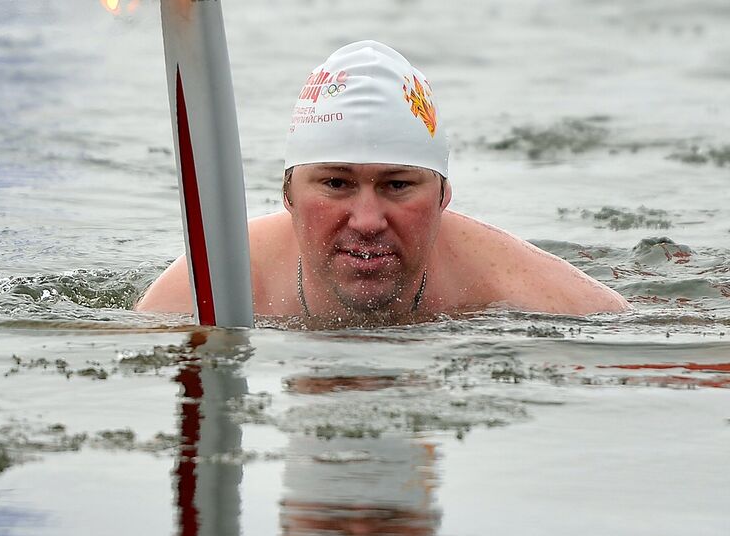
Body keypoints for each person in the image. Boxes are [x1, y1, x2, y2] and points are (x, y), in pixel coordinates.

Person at [136, 40, 630, 323]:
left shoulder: (520, 289)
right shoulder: (211, 288)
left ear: (443, 197)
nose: (368, 221)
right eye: (335, 184)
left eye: (397, 186)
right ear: (287, 194)